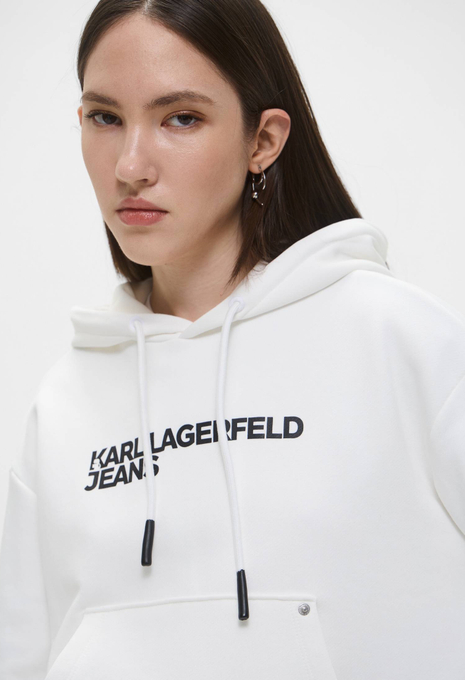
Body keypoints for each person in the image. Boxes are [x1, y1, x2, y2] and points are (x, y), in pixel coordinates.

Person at [1, 0, 465, 678]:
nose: (130, 165)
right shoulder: (65, 403)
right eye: (105, 117)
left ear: (263, 141)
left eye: (180, 118)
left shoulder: (401, 342)